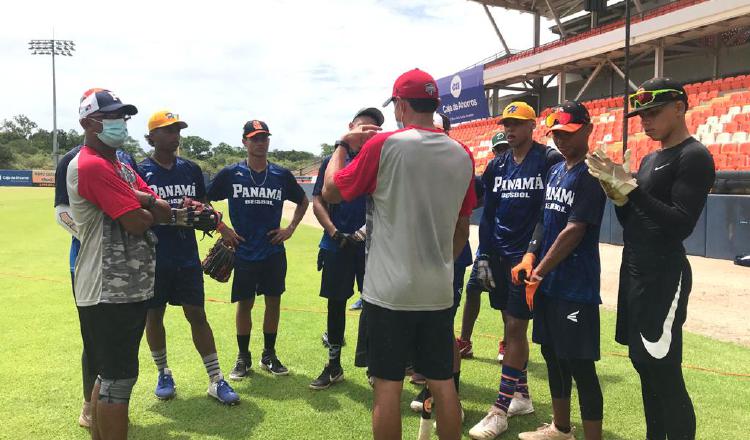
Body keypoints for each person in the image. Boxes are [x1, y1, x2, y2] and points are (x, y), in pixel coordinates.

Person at [322, 68, 476, 440]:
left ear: (402, 105)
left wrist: (343, 144)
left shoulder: (383, 145)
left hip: (388, 293)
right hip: (436, 290)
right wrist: (440, 263)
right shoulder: (462, 152)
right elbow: (462, 226)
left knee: (387, 388)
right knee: (443, 384)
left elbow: (330, 191)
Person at [587, 77, 715, 440]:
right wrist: (620, 198)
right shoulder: (649, 158)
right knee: (642, 362)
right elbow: (633, 222)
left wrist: (635, 191)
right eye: (642, 114)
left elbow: (680, 225)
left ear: (680, 107)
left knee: (662, 369)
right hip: (636, 268)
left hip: (664, 273)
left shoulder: (694, 155)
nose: (646, 120)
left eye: (654, 112)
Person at [67, 88, 172, 440]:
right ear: (87, 123)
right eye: (110, 117)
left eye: (122, 117)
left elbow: (159, 206)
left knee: (108, 376)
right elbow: (139, 221)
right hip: (106, 288)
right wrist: (147, 205)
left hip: (126, 286)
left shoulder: (120, 164)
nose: (119, 123)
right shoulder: (91, 164)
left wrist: (146, 202)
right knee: (118, 378)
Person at [469, 102, 563, 440]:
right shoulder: (497, 165)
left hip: (528, 260)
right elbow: (488, 213)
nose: (510, 129)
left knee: (515, 327)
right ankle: (521, 396)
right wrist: (483, 255)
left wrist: (532, 253)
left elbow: (547, 213)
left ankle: (500, 409)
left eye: (517, 124)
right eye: (506, 124)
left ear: (531, 126)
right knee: (509, 323)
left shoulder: (548, 160)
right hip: (499, 256)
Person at [137, 110, 239, 404]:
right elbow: (140, 212)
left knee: (197, 314)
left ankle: (216, 379)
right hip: (154, 256)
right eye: (168, 130)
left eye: (178, 130)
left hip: (186, 256)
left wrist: (217, 223)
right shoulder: (142, 171)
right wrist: (171, 217)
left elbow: (203, 206)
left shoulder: (191, 169)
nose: (175, 135)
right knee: (154, 315)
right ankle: (163, 372)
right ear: (152, 136)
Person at [517, 101, 605, 440]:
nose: (561, 141)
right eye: (556, 134)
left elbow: (575, 230)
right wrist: (529, 255)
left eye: (568, 133)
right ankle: (560, 427)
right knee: (552, 356)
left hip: (576, 287)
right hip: (549, 285)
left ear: (587, 129)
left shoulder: (591, 173)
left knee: (580, 365)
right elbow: (543, 219)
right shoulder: (556, 170)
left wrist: (537, 271)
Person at [207, 119, 309, 379]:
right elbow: (203, 200)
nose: (260, 142)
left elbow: (303, 200)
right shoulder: (231, 173)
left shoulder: (280, 175)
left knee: (273, 302)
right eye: (254, 138)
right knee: (245, 304)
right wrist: (222, 228)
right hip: (243, 251)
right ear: (244, 142)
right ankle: (243, 357)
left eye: (263, 137)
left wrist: (290, 229)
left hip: (273, 251)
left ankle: (269, 354)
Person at [54, 142, 137, 429]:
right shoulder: (73, 160)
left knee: (121, 344)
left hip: (127, 267)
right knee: (94, 340)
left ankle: (112, 405)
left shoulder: (126, 160)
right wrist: (96, 234)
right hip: (87, 261)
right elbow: (62, 213)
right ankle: (89, 406)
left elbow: (137, 203)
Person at [309, 107, 384, 390]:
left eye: (373, 129)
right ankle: (334, 364)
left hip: (372, 245)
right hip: (337, 244)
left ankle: (374, 365)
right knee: (336, 303)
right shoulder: (334, 160)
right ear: (350, 127)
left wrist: (365, 231)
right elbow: (319, 200)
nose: (367, 133)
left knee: (376, 305)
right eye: (362, 127)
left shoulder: (381, 159)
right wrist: (333, 231)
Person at [458, 130, 510, 361]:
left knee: (506, 301)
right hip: (487, 247)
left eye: (505, 149)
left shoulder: (522, 177)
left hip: (510, 248)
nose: (502, 153)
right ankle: (465, 342)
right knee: (473, 290)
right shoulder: (489, 176)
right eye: (498, 149)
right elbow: (474, 198)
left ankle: (507, 344)